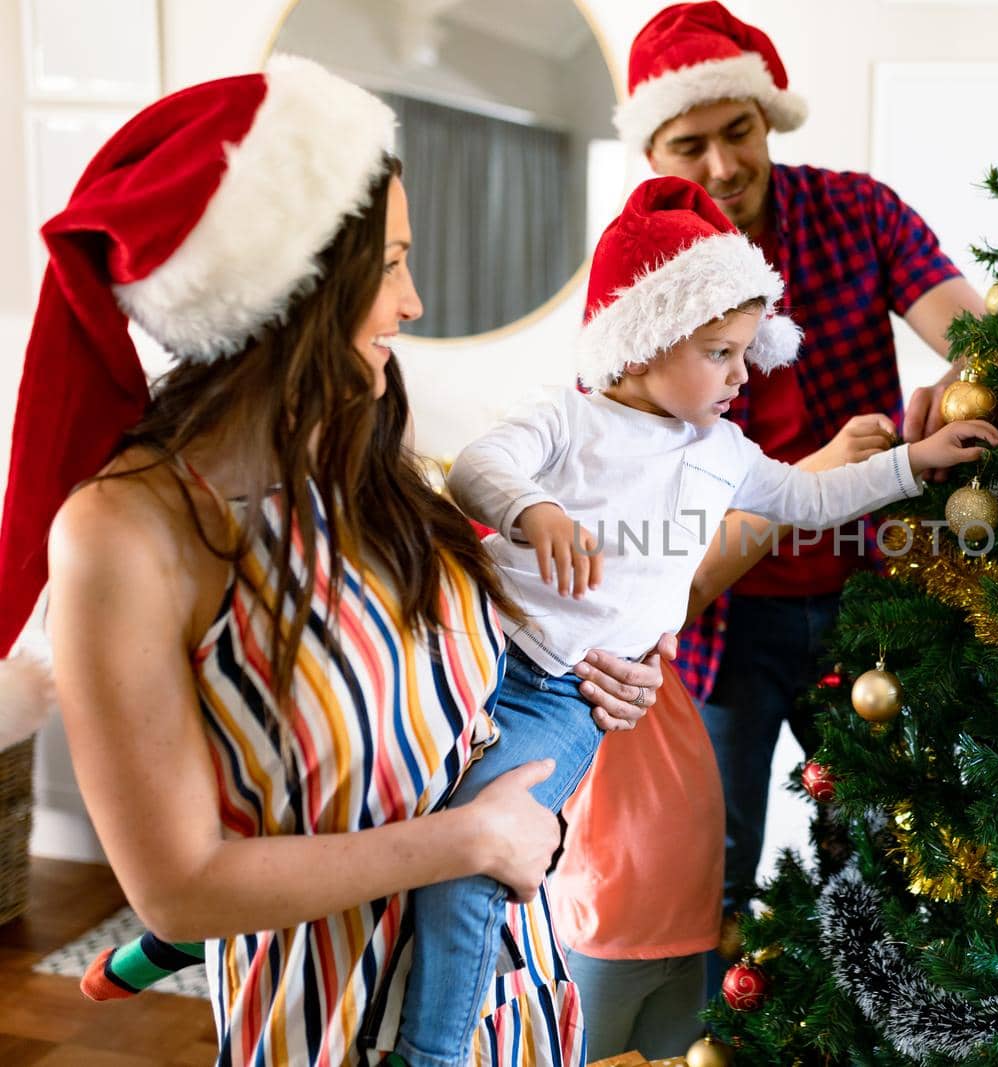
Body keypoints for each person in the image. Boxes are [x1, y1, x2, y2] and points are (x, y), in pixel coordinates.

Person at [0, 56, 668, 1067]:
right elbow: (176, 886)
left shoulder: (362, 454)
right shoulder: (126, 530)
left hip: (509, 991)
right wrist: (470, 842)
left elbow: (454, 716)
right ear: (292, 281)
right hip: (331, 1023)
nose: (414, 299)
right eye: (390, 263)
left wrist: (592, 677)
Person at [407, 173, 998, 1065]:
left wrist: (915, 462)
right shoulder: (567, 419)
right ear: (643, 341)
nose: (742, 374)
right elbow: (480, 467)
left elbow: (813, 495)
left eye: (744, 350)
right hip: (479, 656)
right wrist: (537, 512)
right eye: (720, 353)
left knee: (483, 848)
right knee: (403, 805)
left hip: (561, 695)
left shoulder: (724, 451)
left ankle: (436, 1051)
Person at [614, 0, 991, 971]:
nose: (722, 165)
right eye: (688, 145)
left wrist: (972, 378)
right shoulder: (641, 280)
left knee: (872, 846)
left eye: (738, 131)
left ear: (768, 118)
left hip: (870, 599)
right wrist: (813, 472)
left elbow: (972, 330)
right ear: (651, 151)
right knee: (715, 865)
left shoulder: (856, 212)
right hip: (721, 625)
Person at [549, 414, 899, 1060]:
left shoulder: (659, 620)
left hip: (687, 928)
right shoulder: (573, 649)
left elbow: (700, 575)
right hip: (603, 936)